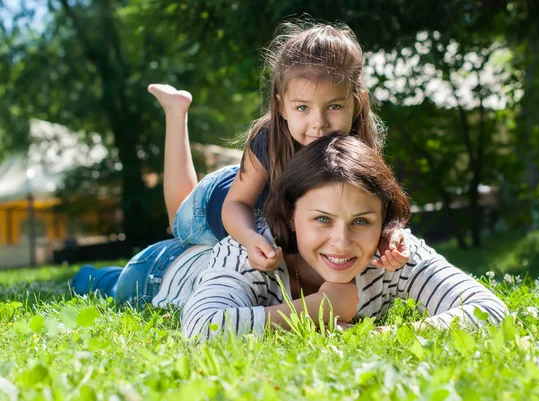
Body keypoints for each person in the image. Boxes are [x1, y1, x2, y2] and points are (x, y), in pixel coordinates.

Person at [72, 135, 508, 340]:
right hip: (161, 272)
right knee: (102, 283)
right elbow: (203, 329)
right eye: (321, 219)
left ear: (384, 220)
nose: (341, 243)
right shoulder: (252, 248)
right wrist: (317, 310)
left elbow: (490, 311)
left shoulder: (392, 253)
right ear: (288, 216)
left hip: (203, 269)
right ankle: (87, 273)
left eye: (361, 221)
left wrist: (386, 338)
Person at [147, 22, 408, 274]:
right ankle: (175, 110)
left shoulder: (361, 136)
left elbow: (375, 203)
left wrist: (391, 235)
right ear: (281, 106)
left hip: (260, 186)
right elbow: (236, 203)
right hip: (222, 200)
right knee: (177, 222)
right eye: (302, 108)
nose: (318, 124)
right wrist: (249, 238)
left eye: (334, 106)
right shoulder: (268, 138)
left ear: (357, 101)